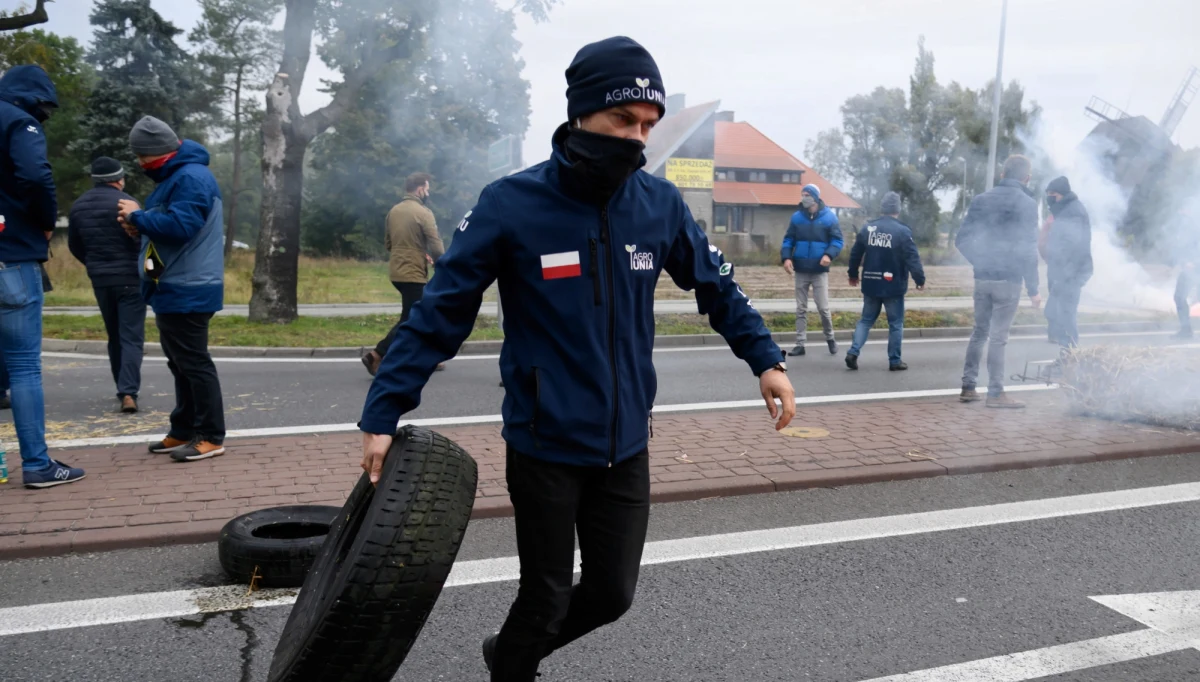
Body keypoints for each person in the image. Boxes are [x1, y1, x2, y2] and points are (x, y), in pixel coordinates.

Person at [358, 36, 794, 682]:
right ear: (582, 114)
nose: (637, 139)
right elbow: (438, 314)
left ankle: (507, 652)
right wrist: (384, 409)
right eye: (624, 121)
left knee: (613, 594)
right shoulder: (511, 205)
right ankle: (514, 666)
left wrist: (766, 359)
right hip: (544, 445)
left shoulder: (659, 205)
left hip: (626, 443)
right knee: (546, 595)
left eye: (648, 125)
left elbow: (718, 287)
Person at [116, 116, 227, 462]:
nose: (138, 164)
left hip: (189, 286)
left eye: (140, 157)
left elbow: (182, 226)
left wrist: (137, 216)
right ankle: (184, 430)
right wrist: (143, 228)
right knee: (180, 364)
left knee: (193, 363)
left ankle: (210, 435)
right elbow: (172, 227)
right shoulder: (178, 176)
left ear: (154, 154)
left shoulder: (191, 177)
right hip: (174, 284)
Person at [0, 65, 86, 488]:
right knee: (22, 367)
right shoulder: (20, 121)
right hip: (11, 257)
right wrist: (45, 222)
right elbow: (35, 175)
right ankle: (37, 464)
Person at [955, 154, 1041, 408]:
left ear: (1002, 174)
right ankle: (995, 394)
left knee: (979, 332)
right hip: (1009, 279)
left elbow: (961, 240)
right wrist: (1034, 289)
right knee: (998, 337)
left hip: (983, 277)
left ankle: (968, 387)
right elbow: (1028, 249)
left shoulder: (981, 200)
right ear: (1026, 178)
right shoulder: (1027, 204)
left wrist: (980, 261)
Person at [68, 157, 146, 413]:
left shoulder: (79, 206)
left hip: (101, 279)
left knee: (114, 335)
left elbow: (75, 245)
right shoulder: (127, 203)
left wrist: (93, 264)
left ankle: (121, 388)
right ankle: (129, 391)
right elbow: (143, 241)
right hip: (130, 279)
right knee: (131, 336)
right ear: (119, 179)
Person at [361, 172, 445, 376]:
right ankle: (377, 354)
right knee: (412, 318)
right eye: (427, 188)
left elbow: (389, 243)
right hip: (412, 273)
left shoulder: (394, 211)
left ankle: (426, 358)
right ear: (420, 189)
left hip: (397, 271)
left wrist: (414, 251)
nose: (428, 192)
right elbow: (435, 244)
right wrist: (443, 264)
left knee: (420, 315)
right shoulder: (423, 212)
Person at [845, 192, 925, 371]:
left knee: (865, 320)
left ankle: (853, 352)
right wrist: (919, 279)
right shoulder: (903, 231)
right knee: (895, 324)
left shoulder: (868, 228)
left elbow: (855, 253)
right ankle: (895, 361)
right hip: (893, 285)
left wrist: (852, 274)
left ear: (882, 209)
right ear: (898, 209)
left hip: (871, 283)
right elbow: (913, 258)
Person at [780, 183, 842, 357]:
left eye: (807, 194)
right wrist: (786, 258)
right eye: (803, 194)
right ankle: (800, 344)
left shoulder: (829, 217)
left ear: (815, 197)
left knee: (823, 307)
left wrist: (829, 255)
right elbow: (788, 240)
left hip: (819, 270)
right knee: (801, 308)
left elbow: (837, 241)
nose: (804, 197)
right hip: (801, 269)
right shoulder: (797, 218)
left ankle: (830, 338)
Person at [1040, 176, 1092, 351]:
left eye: (1053, 194)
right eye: (1048, 194)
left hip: (1070, 273)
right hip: (1063, 272)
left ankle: (1069, 356)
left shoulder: (1072, 212)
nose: (1049, 197)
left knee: (1065, 315)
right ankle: (1067, 355)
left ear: (1062, 194)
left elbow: (1071, 246)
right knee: (1055, 312)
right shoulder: (1064, 210)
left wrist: (1064, 272)